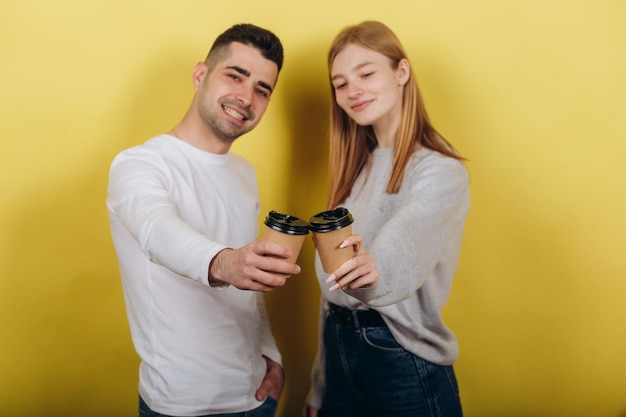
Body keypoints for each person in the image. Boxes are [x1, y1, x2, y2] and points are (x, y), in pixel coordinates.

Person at [107, 23, 300, 417]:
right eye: (235, 75)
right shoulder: (139, 164)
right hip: (180, 406)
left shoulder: (244, 173)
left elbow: (249, 284)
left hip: (257, 397)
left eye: (262, 89)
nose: (246, 97)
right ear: (201, 75)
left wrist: (270, 353)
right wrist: (224, 262)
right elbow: (157, 230)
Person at [304, 21, 470, 417]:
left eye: (366, 73)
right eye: (340, 83)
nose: (353, 90)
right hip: (340, 359)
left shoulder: (439, 170)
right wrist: (319, 385)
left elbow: (405, 239)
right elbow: (333, 297)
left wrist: (374, 268)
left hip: (402, 361)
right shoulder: (355, 170)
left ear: (401, 72)